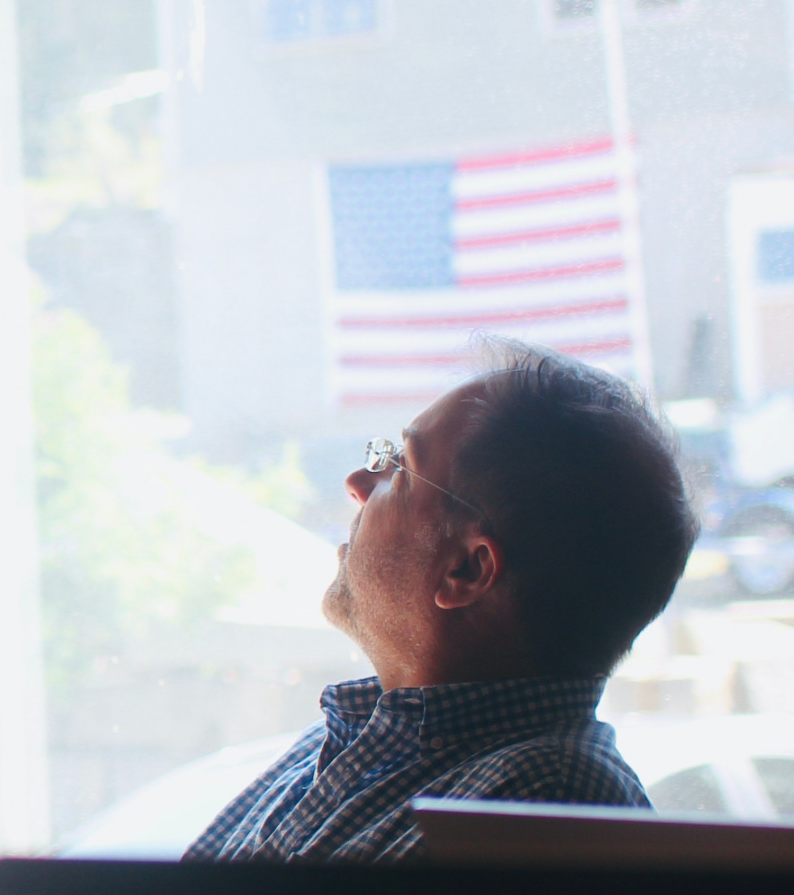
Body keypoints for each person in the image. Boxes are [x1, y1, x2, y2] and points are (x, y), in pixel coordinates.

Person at [186, 341, 697, 863]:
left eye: (401, 468)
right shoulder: (347, 744)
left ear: (466, 570)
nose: (358, 483)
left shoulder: (545, 801)